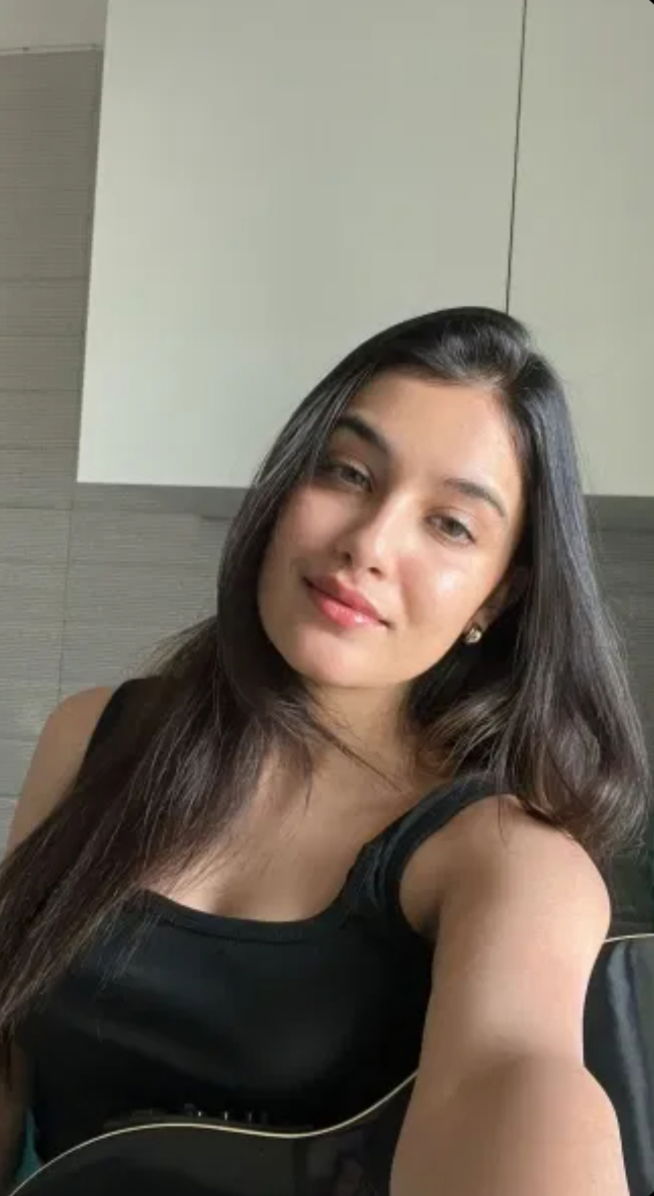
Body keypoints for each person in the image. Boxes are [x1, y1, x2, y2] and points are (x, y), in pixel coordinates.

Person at [0, 307, 650, 1195]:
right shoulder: (92, 736)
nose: (369, 545)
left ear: (497, 598)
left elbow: (514, 1078)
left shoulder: (504, 859)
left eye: (450, 524)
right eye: (348, 473)